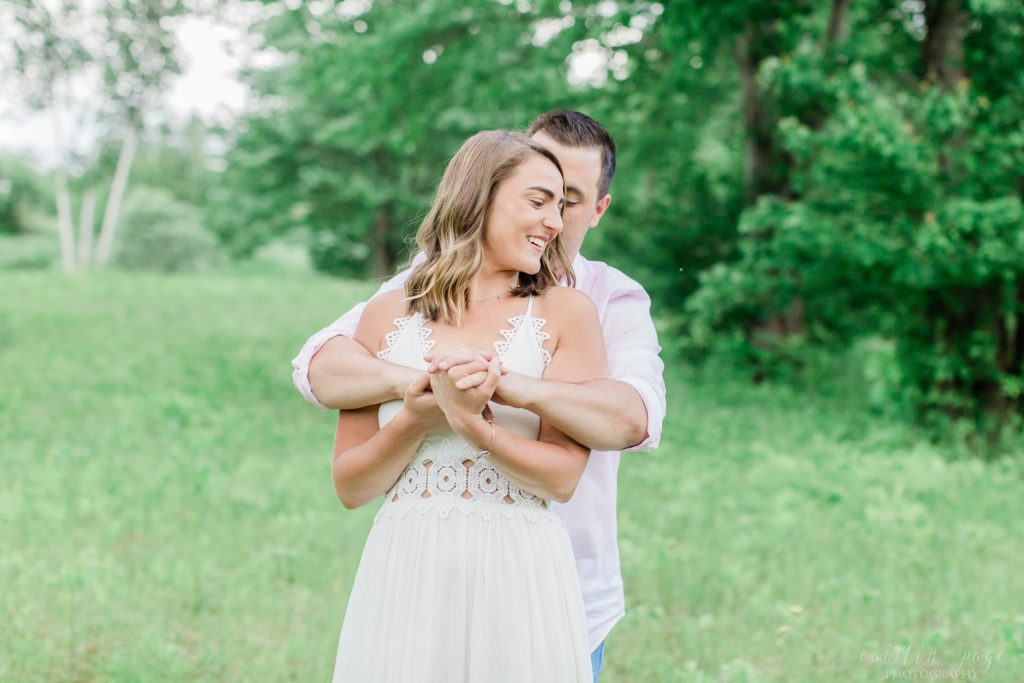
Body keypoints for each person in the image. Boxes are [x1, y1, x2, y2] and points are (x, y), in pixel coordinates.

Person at [293, 111, 666, 682]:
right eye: (539, 197)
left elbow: (631, 418)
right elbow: (322, 366)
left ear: (597, 208)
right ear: (483, 193)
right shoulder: (401, 298)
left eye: (567, 200)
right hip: (410, 568)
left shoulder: (602, 300)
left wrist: (494, 398)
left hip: (547, 573)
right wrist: (415, 400)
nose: (553, 218)